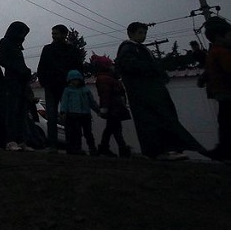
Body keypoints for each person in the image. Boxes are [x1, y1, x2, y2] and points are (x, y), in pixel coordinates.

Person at [115, 22, 206, 161]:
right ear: (130, 33)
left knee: (162, 119)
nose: (143, 36)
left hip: (150, 90)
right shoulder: (128, 48)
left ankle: (167, 149)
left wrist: (159, 74)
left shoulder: (140, 49)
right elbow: (130, 66)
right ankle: (158, 151)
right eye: (140, 33)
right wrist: (153, 70)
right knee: (151, 121)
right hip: (143, 92)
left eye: (145, 33)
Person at [37, 24, 82, 152]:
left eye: (56, 33)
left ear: (64, 34)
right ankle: (54, 145)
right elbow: (41, 67)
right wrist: (44, 81)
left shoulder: (70, 50)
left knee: (67, 116)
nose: (53, 36)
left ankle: (70, 145)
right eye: (53, 33)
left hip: (65, 87)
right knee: (53, 117)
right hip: (52, 86)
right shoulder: (49, 49)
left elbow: (78, 67)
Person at [0, 21, 33, 151]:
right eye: (23, 33)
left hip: (21, 83)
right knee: (12, 112)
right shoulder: (5, 42)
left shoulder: (17, 46)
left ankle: (21, 140)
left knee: (21, 112)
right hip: (12, 82)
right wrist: (20, 69)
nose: (24, 37)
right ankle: (10, 141)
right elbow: (2, 60)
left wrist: (25, 71)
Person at [91, 53, 132, 158]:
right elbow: (106, 94)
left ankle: (104, 148)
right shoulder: (107, 78)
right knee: (115, 129)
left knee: (111, 128)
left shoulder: (106, 78)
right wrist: (105, 108)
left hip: (113, 108)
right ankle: (122, 149)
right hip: (114, 108)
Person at [203, 17, 231, 161]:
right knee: (226, 123)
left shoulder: (217, 51)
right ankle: (224, 150)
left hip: (224, 94)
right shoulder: (221, 51)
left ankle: (224, 150)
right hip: (226, 94)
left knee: (225, 124)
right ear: (219, 36)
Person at [59, 70, 99, 155]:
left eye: (77, 80)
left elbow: (92, 102)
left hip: (85, 114)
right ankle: (78, 148)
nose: (75, 82)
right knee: (77, 133)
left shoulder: (85, 90)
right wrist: (63, 112)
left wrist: (97, 110)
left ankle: (92, 148)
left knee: (88, 133)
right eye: (73, 80)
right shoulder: (68, 90)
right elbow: (64, 102)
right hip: (73, 115)